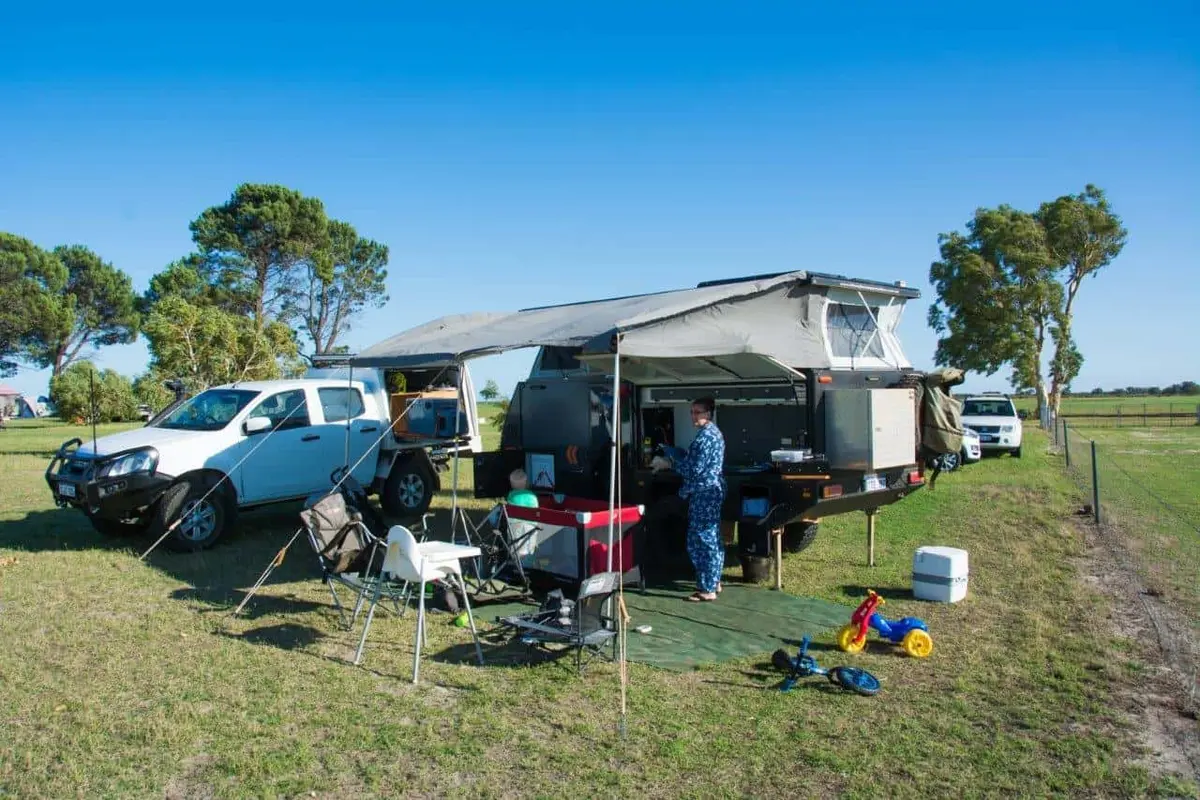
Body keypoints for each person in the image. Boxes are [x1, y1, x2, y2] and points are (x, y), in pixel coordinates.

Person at [652, 397, 726, 601]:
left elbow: (694, 469)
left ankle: (707, 589)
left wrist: (669, 463)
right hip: (709, 491)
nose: (694, 416)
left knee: (701, 540)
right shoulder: (711, 433)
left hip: (704, 492)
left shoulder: (705, 437)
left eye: (698, 412)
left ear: (708, 413)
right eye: (692, 412)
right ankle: (713, 581)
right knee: (711, 537)